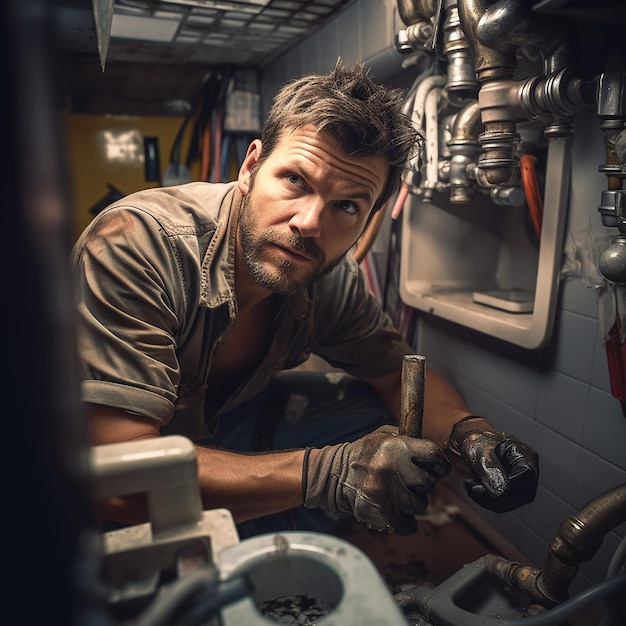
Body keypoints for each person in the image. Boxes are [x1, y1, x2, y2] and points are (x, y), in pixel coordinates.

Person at [72, 61, 539, 539]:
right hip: (88, 472)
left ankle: (277, 532)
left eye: (347, 206)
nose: (310, 223)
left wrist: (471, 435)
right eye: (295, 180)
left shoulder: (329, 277)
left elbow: (393, 373)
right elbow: (118, 479)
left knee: (383, 422)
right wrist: (325, 475)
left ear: (367, 221)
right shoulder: (137, 244)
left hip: (218, 429)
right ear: (251, 166)